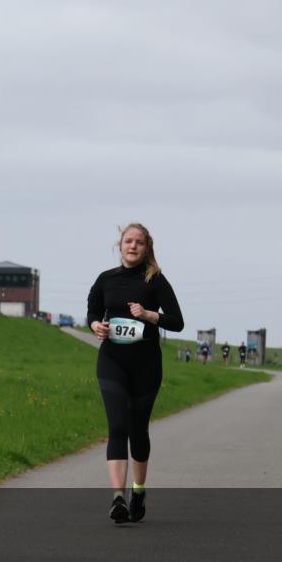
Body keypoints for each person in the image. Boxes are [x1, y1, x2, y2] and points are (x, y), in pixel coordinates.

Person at [87, 223, 184, 523]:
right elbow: (91, 313)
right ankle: (118, 499)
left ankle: (138, 490)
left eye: (139, 243)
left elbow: (177, 322)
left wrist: (148, 315)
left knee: (137, 430)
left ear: (147, 248)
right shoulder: (106, 279)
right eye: (128, 241)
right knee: (117, 427)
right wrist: (96, 326)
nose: (132, 246)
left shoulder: (155, 281)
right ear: (120, 245)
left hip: (146, 365)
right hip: (112, 361)